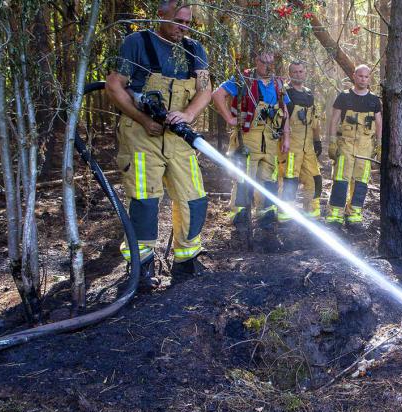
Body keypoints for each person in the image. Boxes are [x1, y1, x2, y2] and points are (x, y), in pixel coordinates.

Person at [105, 0, 211, 288]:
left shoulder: (194, 50)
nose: (183, 28)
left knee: (194, 198)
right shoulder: (137, 43)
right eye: (178, 21)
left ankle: (186, 263)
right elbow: (114, 85)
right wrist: (142, 119)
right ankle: (141, 270)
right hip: (142, 137)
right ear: (160, 16)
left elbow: (205, 90)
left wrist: (188, 114)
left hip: (179, 137)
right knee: (145, 202)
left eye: (188, 23)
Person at [211, 50, 291, 234]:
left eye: (272, 62)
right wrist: (230, 119)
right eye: (264, 62)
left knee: (269, 178)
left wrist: (286, 137)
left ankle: (266, 215)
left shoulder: (279, 84)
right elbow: (217, 95)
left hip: (270, 139)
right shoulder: (244, 79)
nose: (268, 66)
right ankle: (241, 215)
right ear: (257, 61)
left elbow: (284, 112)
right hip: (248, 136)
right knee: (244, 176)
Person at [326, 64, 382, 230]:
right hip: (346, 145)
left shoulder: (374, 100)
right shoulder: (344, 97)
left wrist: (378, 145)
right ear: (354, 76)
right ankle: (335, 215)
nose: (363, 79)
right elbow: (334, 119)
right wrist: (331, 141)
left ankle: (354, 215)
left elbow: (379, 123)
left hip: (365, 148)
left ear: (369, 78)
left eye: (366, 77)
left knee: (361, 181)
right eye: (360, 76)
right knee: (341, 179)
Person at [279, 60, 323, 221]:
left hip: (308, 147)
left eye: (301, 71)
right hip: (290, 146)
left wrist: (317, 141)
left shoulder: (309, 94)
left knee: (315, 178)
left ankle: (311, 212)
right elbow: (281, 120)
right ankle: (285, 214)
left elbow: (315, 121)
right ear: (290, 74)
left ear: (305, 73)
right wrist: (285, 139)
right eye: (295, 72)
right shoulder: (284, 93)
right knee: (289, 180)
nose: (298, 74)